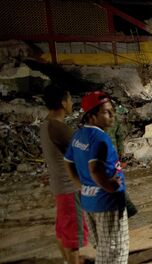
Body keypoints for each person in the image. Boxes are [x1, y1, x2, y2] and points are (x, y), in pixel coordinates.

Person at [64, 91, 129, 264]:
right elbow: (95, 168)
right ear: (92, 116)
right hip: (107, 202)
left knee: (103, 248)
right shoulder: (100, 139)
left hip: (88, 201)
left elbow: (68, 162)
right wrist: (110, 186)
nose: (112, 116)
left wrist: (81, 185)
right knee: (114, 253)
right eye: (107, 112)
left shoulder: (78, 136)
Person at [40, 84, 89, 264]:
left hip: (59, 187)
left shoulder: (46, 124)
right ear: (62, 102)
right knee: (73, 237)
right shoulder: (60, 128)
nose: (71, 103)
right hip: (69, 188)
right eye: (69, 99)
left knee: (63, 232)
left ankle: (69, 261)